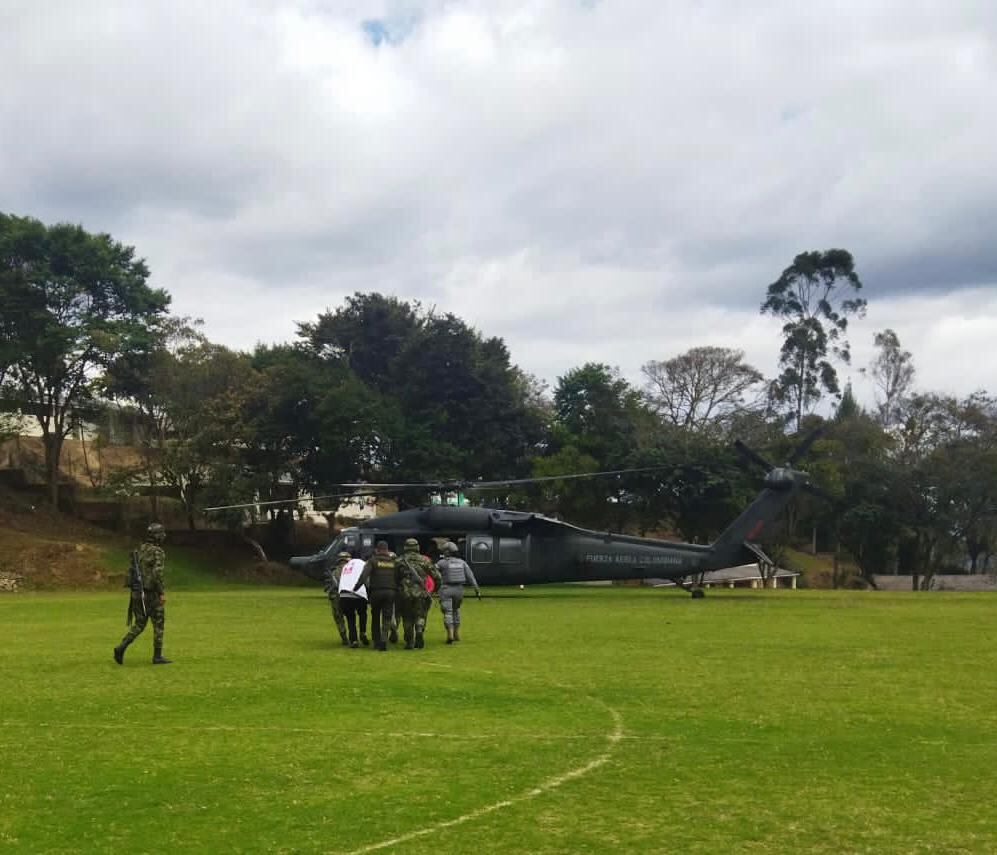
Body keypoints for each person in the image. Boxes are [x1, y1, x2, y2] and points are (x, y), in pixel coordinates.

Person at [113, 523, 171, 665]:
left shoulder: (141, 550)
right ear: (157, 536)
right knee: (158, 623)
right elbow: (157, 574)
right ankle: (157, 656)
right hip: (150, 594)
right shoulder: (158, 552)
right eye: (161, 533)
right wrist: (161, 592)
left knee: (139, 624)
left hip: (137, 592)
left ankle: (121, 647)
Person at [395, 538, 442, 649]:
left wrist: (398, 588)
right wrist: (435, 590)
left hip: (404, 594)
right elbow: (437, 577)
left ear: (405, 547)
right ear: (417, 547)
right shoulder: (425, 560)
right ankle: (419, 630)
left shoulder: (399, 561)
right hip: (421, 593)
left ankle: (409, 642)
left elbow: (394, 578)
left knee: (407, 618)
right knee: (420, 615)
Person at [354, 540, 399, 651]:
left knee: (375, 616)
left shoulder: (372, 561)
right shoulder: (394, 562)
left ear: (377, 550)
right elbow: (398, 577)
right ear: (387, 550)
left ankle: (376, 641)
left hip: (376, 592)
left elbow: (364, 576)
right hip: (390, 592)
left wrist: (355, 588)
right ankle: (384, 639)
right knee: (387, 617)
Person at [436, 541, 480, 644]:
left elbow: (433, 573)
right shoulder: (462, 562)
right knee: (456, 610)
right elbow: (470, 576)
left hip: (446, 589)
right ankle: (456, 634)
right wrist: (476, 589)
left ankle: (450, 634)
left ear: (447, 552)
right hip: (459, 589)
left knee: (448, 612)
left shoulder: (441, 563)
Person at [338, 552, 370, 648]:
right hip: (358, 593)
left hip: (343, 594)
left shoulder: (345, 566)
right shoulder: (363, 564)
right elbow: (366, 578)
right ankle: (363, 632)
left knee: (350, 618)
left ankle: (353, 640)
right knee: (362, 613)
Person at [323, 551, 352, 646]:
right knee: (351, 617)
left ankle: (344, 636)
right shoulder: (352, 571)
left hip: (336, 597)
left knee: (339, 618)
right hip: (349, 597)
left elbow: (327, 587)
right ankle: (354, 637)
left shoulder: (333, 571)